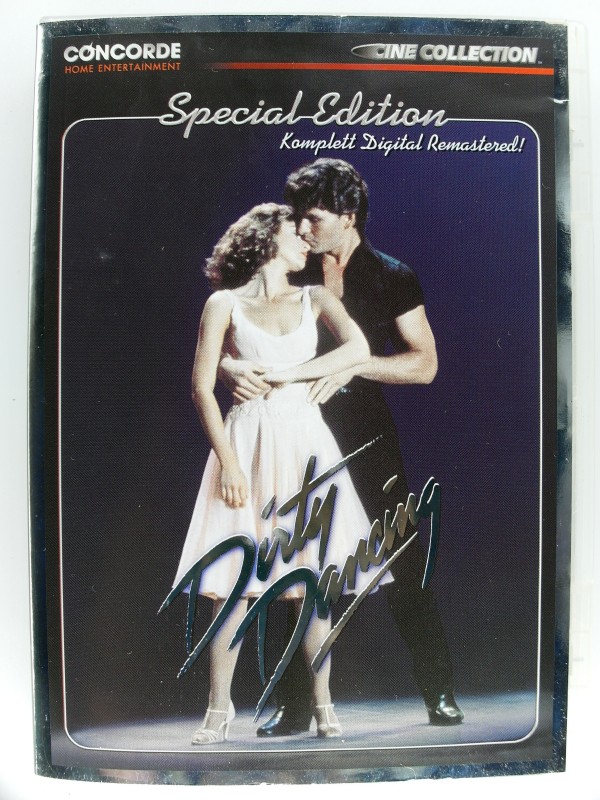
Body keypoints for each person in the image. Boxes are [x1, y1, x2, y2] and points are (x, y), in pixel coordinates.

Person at [220, 160, 464, 735]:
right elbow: (230, 328)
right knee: (292, 562)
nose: (301, 230)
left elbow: (424, 364)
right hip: (291, 431)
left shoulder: (391, 275)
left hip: (363, 432)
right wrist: (231, 368)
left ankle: (439, 691)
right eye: (298, 219)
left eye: (313, 218)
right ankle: (294, 705)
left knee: (402, 558)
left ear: (348, 216)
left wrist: (354, 365)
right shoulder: (291, 269)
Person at [172, 202, 391, 745]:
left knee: (312, 580)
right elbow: (201, 387)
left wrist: (290, 374)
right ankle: (218, 710)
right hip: (246, 444)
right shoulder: (223, 303)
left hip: (304, 442)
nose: (306, 241)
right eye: (297, 232)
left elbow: (358, 348)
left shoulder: (315, 297)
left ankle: (323, 704)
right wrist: (228, 461)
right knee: (231, 583)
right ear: (268, 239)